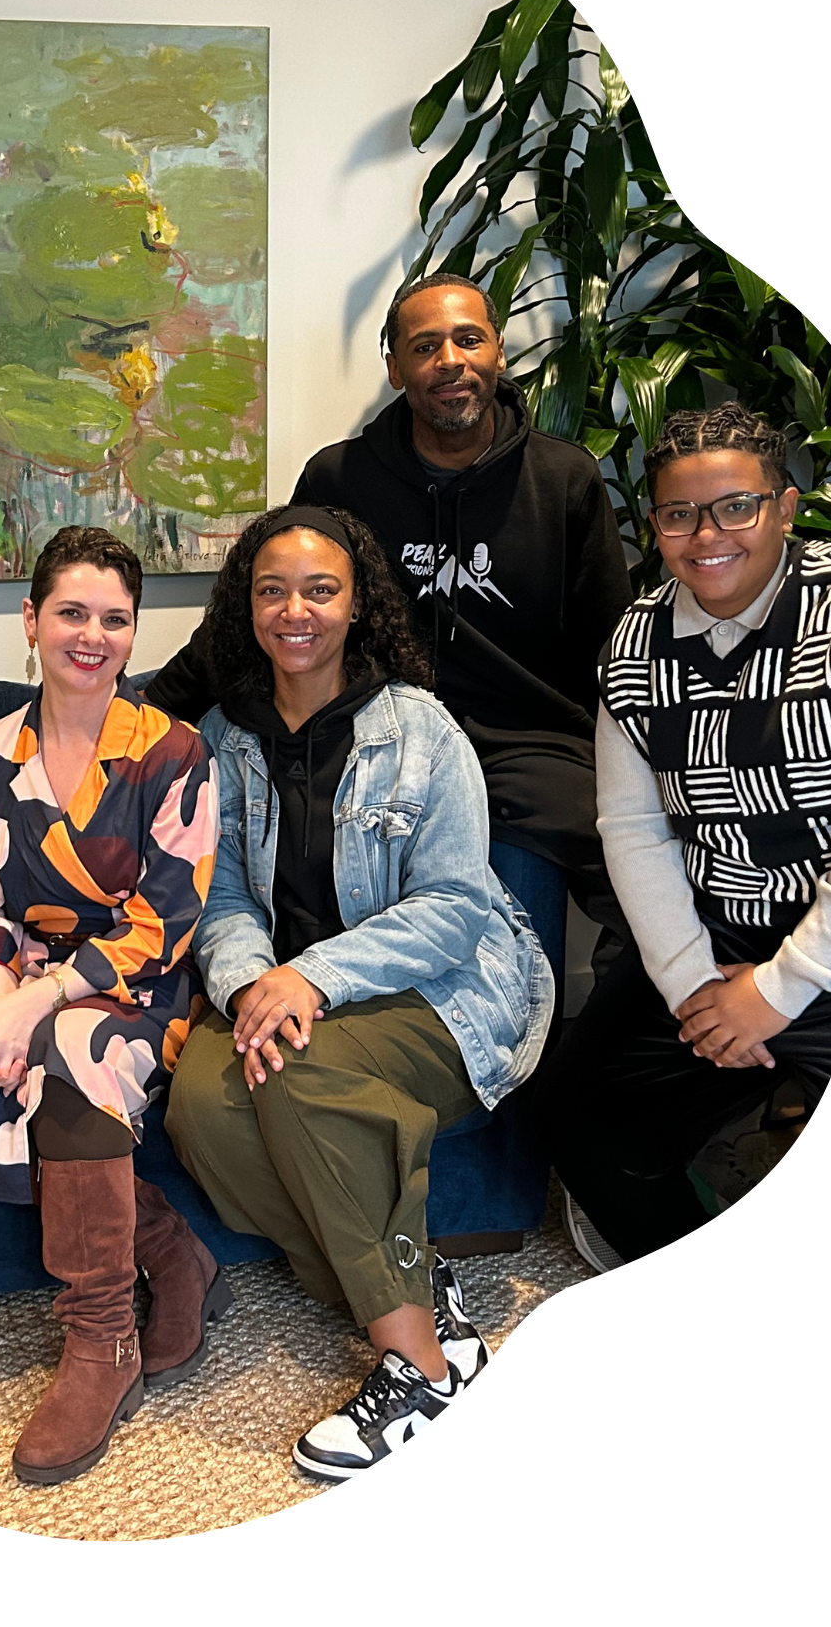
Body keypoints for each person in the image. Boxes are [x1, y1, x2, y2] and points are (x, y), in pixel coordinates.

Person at [163, 505, 555, 1485]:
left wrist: (311, 977)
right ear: (243, 607)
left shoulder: (417, 731)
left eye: (318, 589)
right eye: (270, 590)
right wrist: (253, 984)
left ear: (355, 605)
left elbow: (457, 907)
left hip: (443, 995)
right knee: (200, 1106)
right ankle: (417, 1288)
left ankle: (417, 1370)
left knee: (294, 1076)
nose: (293, 610)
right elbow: (215, 897)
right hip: (286, 992)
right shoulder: (224, 736)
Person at [145, 272, 634, 997]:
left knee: (583, 911)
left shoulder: (564, 479)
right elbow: (271, 614)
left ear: (498, 351)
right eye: (425, 345)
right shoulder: (342, 478)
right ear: (396, 367)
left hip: (524, 752)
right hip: (379, 746)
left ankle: (538, 1085)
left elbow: (611, 651)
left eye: (469, 339)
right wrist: (144, 719)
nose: (450, 360)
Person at [531, 404, 831, 1269]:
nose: (707, 536)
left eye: (736, 506)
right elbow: (632, 827)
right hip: (723, 926)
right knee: (567, 1113)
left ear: (786, 505)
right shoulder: (634, 643)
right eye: (677, 515)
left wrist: (776, 992)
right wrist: (699, 987)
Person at [0, 526, 223, 1486]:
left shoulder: (174, 753)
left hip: (137, 993)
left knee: (70, 1053)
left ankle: (101, 1339)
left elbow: (166, 919)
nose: (91, 635)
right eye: (71, 612)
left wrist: (41, 1002)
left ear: (135, 635)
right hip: (20, 985)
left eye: (114, 618)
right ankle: (173, 1252)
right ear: (31, 621)